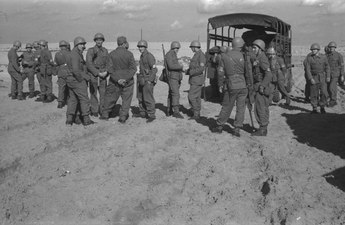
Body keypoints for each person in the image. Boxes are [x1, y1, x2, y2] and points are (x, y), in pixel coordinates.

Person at [211, 37, 252, 137]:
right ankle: (237, 129)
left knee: (227, 106)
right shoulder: (245, 56)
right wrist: (249, 84)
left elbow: (220, 72)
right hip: (243, 85)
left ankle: (220, 126)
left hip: (231, 85)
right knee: (241, 108)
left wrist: (220, 84)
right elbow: (249, 72)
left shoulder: (224, 56)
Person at [100, 36, 137, 123]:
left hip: (114, 81)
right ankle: (123, 117)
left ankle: (105, 115)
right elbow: (133, 69)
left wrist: (117, 79)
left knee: (110, 98)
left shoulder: (112, 54)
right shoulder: (129, 54)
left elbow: (110, 69)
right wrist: (125, 79)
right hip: (128, 82)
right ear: (124, 43)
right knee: (126, 100)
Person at [65, 36, 94, 126]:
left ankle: (70, 119)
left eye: (84, 44)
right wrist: (83, 79)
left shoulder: (75, 53)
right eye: (81, 44)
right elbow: (76, 70)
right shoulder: (75, 55)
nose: (83, 46)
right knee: (84, 99)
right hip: (76, 80)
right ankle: (86, 119)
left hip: (71, 80)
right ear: (77, 45)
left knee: (73, 100)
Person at [250, 39, 273, 136]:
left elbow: (269, 74)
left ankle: (263, 129)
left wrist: (262, 86)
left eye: (255, 48)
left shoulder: (262, 58)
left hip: (261, 86)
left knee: (260, 107)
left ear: (260, 48)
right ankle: (263, 128)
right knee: (262, 107)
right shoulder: (258, 57)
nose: (253, 49)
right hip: (258, 85)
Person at [86, 33, 109, 117]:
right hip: (94, 75)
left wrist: (106, 72)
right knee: (93, 93)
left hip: (103, 75)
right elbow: (89, 64)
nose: (99, 41)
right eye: (97, 40)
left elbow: (108, 62)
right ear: (95, 41)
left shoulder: (105, 51)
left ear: (103, 41)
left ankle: (102, 110)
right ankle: (94, 110)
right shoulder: (91, 50)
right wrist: (97, 72)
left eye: (100, 40)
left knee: (103, 94)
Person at [134, 40, 158, 122]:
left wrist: (150, 80)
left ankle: (151, 114)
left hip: (147, 80)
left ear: (145, 47)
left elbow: (154, 69)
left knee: (148, 98)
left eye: (142, 47)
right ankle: (142, 112)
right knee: (140, 97)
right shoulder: (142, 56)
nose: (140, 48)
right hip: (141, 80)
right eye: (139, 47)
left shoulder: (149, 56)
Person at [304, 43, 330, 114]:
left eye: (314, 49)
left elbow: (327, 67)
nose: (313, 51)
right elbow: (307, 70)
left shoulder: (323, 57)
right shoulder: (309, 58)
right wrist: (310, 78)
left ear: (318, 50)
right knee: (313, 93)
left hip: (322, 77)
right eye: (312, 50)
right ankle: (314, 108)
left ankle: (322, 107)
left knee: (324, 93)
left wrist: (328, 76)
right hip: (314, 77)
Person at [185, 40, 206, 120]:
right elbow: (193, 67)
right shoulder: (196, 55)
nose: (191, 49)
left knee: (191, 96)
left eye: (191, 47)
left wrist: (191, 72)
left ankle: (196, 111)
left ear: (194, 47)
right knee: (196, 97)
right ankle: (196, 113)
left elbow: (201, 69)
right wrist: (187, 71)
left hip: (197, 80)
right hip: (194, 79)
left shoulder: (201, 56)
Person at [165, 41, 185, 118]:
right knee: (175, 94)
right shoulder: (170, 54)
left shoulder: (173, 54)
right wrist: (180, 66)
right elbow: (171, 66)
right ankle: (176, 111)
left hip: (175, 76)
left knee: (171, 93)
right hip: (172, 77)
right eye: (176, 48)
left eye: (178, 48)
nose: (177, 49)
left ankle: (169, 110)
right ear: (172, 47)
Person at [325, 41, 344, 107]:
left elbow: (342, 66)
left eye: (333, 47)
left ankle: (333, 100)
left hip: (335, 74)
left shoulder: (339, 55)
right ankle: (328, 99)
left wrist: (342, 75)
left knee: (332, 87)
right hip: (328, 74)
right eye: (330, 47)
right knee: (327, 87)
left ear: (335, 48)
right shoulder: (327, 55)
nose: (331, 48)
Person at [54, 40, 71, 108]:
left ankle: (60, 102)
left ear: (60, 46)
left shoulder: (57, 54)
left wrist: (56, 72)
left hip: (61, 72)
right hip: (69, 72)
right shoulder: (70, 53)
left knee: (61, 88)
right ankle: (68, 101)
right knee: (70, 88)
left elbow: (56, 64)